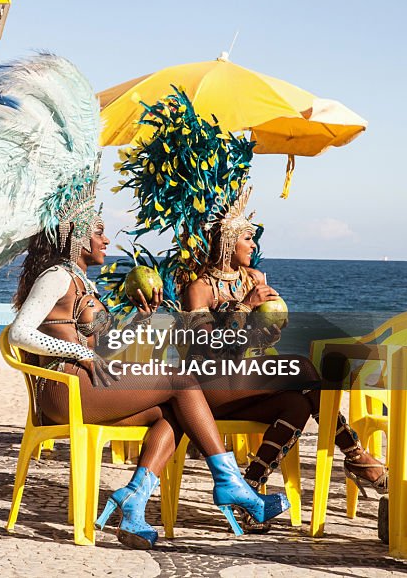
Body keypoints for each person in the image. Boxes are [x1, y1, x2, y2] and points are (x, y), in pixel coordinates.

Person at [0, 53, 289, 549]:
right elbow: (22, 331)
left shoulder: (77, 279)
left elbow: (97, 333)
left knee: (174, 411)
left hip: (86, 388)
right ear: (73, 234)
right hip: (64, 394)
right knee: (181, 380)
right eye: (98, 232)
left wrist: (141, 318)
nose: (106, 242)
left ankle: (136, 499)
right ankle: (230, 481)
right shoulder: (55, 276)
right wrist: (85, 354)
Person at [106, 90, 387, 534]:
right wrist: (244, 309)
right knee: (307, 370)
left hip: (246, 379)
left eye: (253, 240)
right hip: (209, 387)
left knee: (298, 398)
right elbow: (204, 346)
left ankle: (250, 487)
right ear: (226, 243)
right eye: (247, 240)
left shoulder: (252, 277)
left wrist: (270, 316)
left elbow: (262, 340)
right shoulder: (198, 287)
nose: (253, 246)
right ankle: (354, 455)